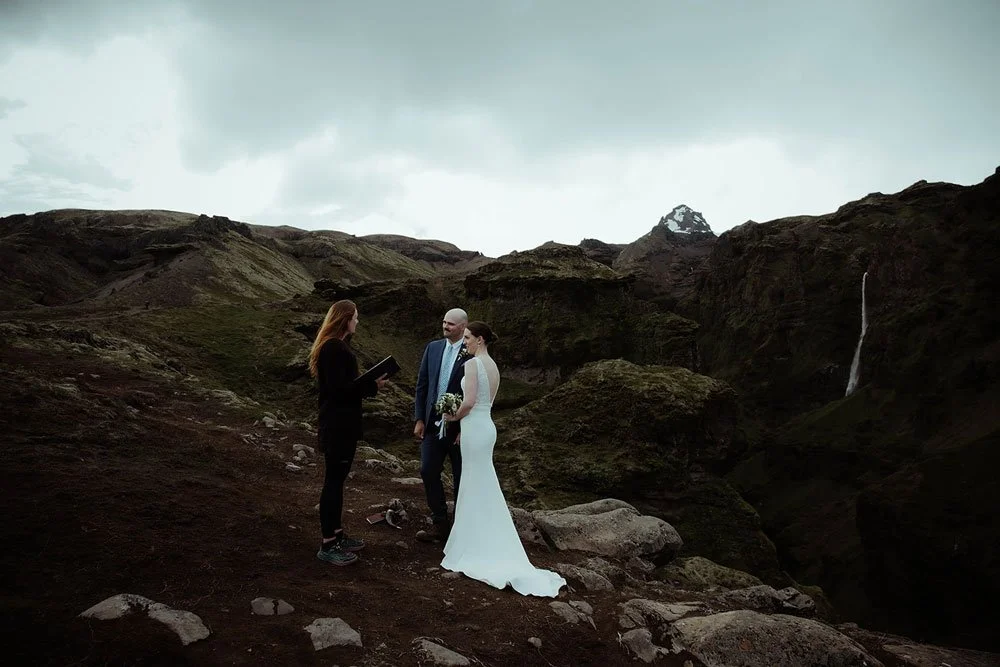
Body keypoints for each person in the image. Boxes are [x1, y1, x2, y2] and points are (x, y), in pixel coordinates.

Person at [440, 321, 566, 597]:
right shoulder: (494, 366)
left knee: (474, 482)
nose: (466, 343)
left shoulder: (472, 365)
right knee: (482, 481)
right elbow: (485, 402)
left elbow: (470, 402)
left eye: (469, 338)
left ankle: (474, 544)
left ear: (480, 339)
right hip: (486, 427)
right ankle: (482, 537)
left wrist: (452, 417)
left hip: (474, 426)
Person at [309, 299, 387, 566]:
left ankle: (337, 534)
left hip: (341, 424)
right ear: (345, 319)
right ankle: (328, 544)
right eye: (355, 317)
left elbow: (342, 386)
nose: (358, 321)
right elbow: (339, 390)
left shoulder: (336, 347)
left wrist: (367, 384)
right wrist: (372, 386)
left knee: (337, 481)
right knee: (333, 482)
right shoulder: (334, 348)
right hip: (338, 426)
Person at [413, 307, 469, 542]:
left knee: (461, 479)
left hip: (459, 431)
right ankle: (440, 524)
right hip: (433, 426)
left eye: (451, 324)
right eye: (444, 322)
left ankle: (461, 530)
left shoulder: (472, 353)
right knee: (427, 470)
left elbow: (477, 395)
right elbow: (422, 384)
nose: (445, 326)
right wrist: (419, 418)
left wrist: (465, 428)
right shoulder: (433, 348)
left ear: (463, 327)